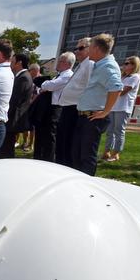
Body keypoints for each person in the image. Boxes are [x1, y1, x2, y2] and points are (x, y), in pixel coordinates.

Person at [71, 33, 123, 176]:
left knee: (86, 156)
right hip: (85, 116)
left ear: (97, 48)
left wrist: (105, 112)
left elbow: (117, 87)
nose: (87, 51)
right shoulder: (99, 65)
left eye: (90, 47)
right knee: (77, 153)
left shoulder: (107, 66)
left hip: (93, 117)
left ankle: (86, 185)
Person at [56, 38, 94, 167]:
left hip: (75, 109)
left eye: (81, 48)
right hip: (68, 108)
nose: (77, 51)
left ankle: (66, 167)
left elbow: (90, 87)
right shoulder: (82, 64)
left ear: (91, 48)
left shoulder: (90, 64)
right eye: (76, 48)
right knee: (62, 142)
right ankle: (61, 165)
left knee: (68, 144)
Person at [34, 51, 76, 161]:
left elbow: (51, 86)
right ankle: (43, 155)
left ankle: (49, 158)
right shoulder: (59, 75)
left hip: (56, 108)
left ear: (67, 63)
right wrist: (45, 86)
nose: (58, 63)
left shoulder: (68, 75)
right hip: (49, 107)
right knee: (44, 133)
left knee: (50, 135)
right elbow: (44, 88)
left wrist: (44, 85)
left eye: (60, 61)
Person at [102, 56, 140, 162]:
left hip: (123, 107)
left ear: (134, 65)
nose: (125, 65)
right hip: (114, 106)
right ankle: (106, 151)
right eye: (125, 63)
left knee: (119, 131)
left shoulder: (135, 77)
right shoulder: (122, 77)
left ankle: (116, 153)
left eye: (128, 63)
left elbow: (123, 91)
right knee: (110, 130)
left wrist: (112, 89)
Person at [0, 53, 34, 158]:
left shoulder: (23, 77)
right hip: (13, 116)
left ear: (19, 63)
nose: (11, 63)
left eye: (13, 61)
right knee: (6, 146)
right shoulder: (21, 76)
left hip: (13, 117)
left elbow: (15, 99)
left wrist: (5, 113)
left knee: (7, 147)